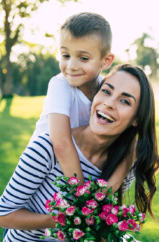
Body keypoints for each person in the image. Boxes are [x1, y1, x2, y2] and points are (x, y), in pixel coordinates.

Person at [0, 64, 159, 242]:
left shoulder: (124, 164)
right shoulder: (46, 148)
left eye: (125, 102)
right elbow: (4, 216)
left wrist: (99, 234)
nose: (109, 103)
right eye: (106, 91)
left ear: (136, 119)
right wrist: (63, 220)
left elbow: (99, 237)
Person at [30, 12, 131, 192]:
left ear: (106, 61)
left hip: (73, 171)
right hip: (41, 171)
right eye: (65, 55)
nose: (71, 66)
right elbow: (60, 142)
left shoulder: (106, 90)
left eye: (83, 58)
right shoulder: (60, 84)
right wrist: (83, 195)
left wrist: (102, 195)